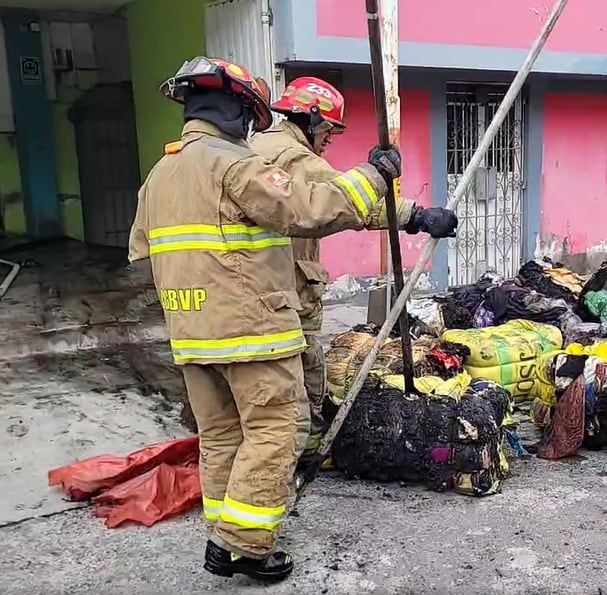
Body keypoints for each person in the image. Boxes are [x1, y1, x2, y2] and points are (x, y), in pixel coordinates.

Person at [127, 56, 457, 583]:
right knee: (275, 428)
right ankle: (250, 548)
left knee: (222, 437)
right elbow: (315, 205)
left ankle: (224, 538)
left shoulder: (161, 173)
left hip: (191, 333)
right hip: (252, 327)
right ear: (239, 109)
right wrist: (377, 173)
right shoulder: (237, 164)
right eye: (328, 129)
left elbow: (144, 249)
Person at [250, 76, 446, 461]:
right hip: (287, 290)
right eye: (329, 130)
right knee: (303, 374)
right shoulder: (293, 157)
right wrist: (418, 216)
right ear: (309, 118)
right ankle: (304, 456)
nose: (330, 139)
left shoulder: (257, 147)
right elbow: (347, 203)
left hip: (257, 290)